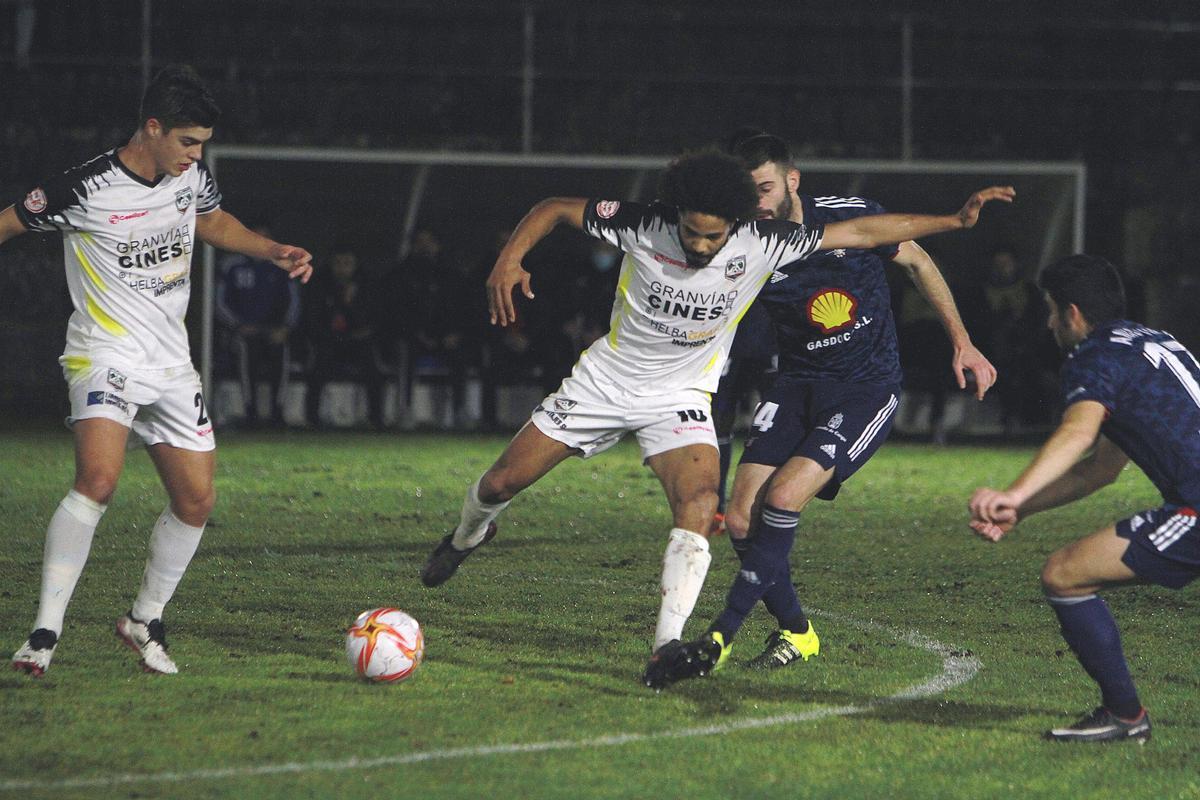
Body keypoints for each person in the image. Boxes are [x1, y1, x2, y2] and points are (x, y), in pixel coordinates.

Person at [418, 149, 1012, 668]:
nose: (702, 246)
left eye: (714, 236)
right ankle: (469, 535)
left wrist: (953, 221)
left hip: (680, 398)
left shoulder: (764, 240)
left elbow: (862, 233)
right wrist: (508, 259)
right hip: (605, 382)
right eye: (693, 234)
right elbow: (551, 207)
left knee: (702, 508)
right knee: (500, 483)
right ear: (676, 215)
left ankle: (666, 643)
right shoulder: (640, 225)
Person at [643, 133, 998, 687]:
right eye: (747, 191)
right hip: (796, 384)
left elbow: (919, 262)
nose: (756, 201)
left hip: (865, 387)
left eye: (763, 187)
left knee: (783, 498)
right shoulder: (747, 242)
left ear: (792, 180)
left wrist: (962, 340)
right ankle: (798, 633)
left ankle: (722, 634)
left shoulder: (851, 218)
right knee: (739, 518)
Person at [3, 65, 313, 676]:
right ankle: (43, 634)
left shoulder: (189, 175)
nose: (197, 155)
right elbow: (9, 221)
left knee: (196, 500)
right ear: (152, 128)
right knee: (98, 479)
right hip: (105, 352)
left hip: (171, 364)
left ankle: (144, 618)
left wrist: (271, 250)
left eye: (202, 144)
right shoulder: (84, 187)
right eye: (187, 141)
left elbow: (211, 220)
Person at [968, 255, 1197, 743]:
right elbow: (1101, 469)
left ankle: (1126, 716)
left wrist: (1012, 491)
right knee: (1066, 571)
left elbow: (1077, 433)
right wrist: (1021, 509)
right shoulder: (1150, 342)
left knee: (1065, 576)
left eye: (1051, 312)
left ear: (1072, 313)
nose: (1049, 323)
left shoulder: (1093, 356)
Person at [215, 219, 301, 428]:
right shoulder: (232, 265)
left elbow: (294, 302)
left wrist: (285, 328)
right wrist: (237, 325)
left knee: (281, 350)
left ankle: (277, 413)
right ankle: (250, 411)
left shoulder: (281, 266)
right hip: (241, 331)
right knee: (245, 351)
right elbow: (218, 302)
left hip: (273, 330)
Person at [303, 240, 386, 429]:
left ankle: (376, 419)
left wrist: (350, 305)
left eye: (347, 264)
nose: (342, 269)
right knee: (317, 369)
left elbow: (372, 322)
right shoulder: (319, 284)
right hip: (328, 341)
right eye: (338, 263)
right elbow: (313, 319)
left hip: (357, 342)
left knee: (373, 370)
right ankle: (312, 420)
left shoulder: (366, 285)